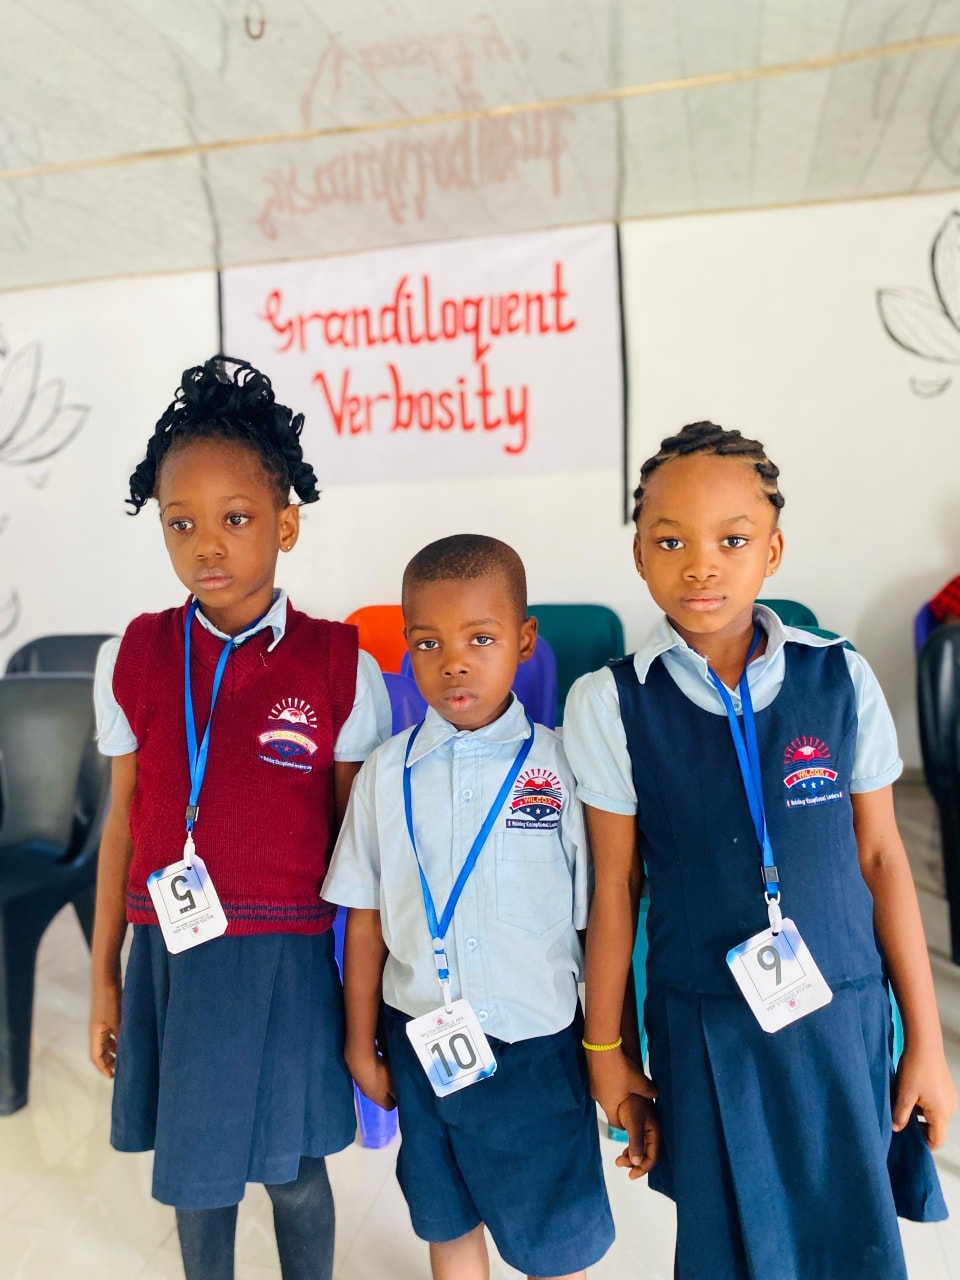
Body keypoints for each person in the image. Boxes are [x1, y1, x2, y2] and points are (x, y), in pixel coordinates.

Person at [563, 421, 957, 1280]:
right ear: (639, 555)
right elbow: (615, 887)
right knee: (729, 1251)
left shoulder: (839, 676)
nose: (700, 566)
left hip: (842, 1015)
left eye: (732, 541)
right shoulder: (612, 702)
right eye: (671, 541)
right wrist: (607, 1051)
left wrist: (925, 1041)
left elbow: (883, 860)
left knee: (852, 1243)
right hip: (709, 1031)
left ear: (772, 551)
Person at [88, 356, 391, 1280]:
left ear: (285, 524)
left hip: (287, 963)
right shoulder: (134, 653)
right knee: (199, 1178)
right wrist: (103, 978)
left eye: (236, 518)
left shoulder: (340, 667)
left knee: (295, 1175)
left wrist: (366, 1007)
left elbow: (364, 858)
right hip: (171, 956)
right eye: (180, 523)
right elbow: (121, 823)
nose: (206, 546)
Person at [322, 534, 623, 1280]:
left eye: (479, 639)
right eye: (428, 643)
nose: (453, 663)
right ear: (406, 651)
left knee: (555, 1243)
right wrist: (360, 1042)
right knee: (446, 1216)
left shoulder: (562, 767)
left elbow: (598, 920)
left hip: (538, 1050)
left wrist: (610, 1049)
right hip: (421, 1042)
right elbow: (364, 917)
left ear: (524, 640)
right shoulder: (384, 775)